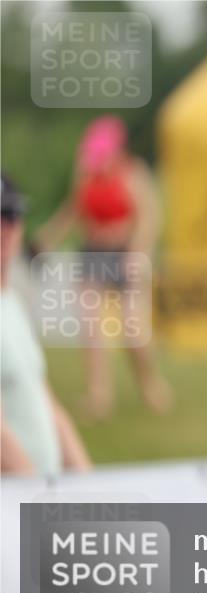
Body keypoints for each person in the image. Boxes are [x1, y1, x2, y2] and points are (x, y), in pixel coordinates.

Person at [33, 115, 172, 419]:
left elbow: (149, 217)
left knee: (133, 332)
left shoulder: (133, 173)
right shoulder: (85, 173)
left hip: (125, 252)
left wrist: (138, 252)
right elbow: (72, 210)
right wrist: (48, 237)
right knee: (91, 328)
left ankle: (150, 384)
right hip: (93, 252)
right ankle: (99, 396)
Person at [1, 175, 91, 476]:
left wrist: (91, 484)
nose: (6, 227)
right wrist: (39, 499)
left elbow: (47, 403)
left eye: (11, 215)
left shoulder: (12, 305)